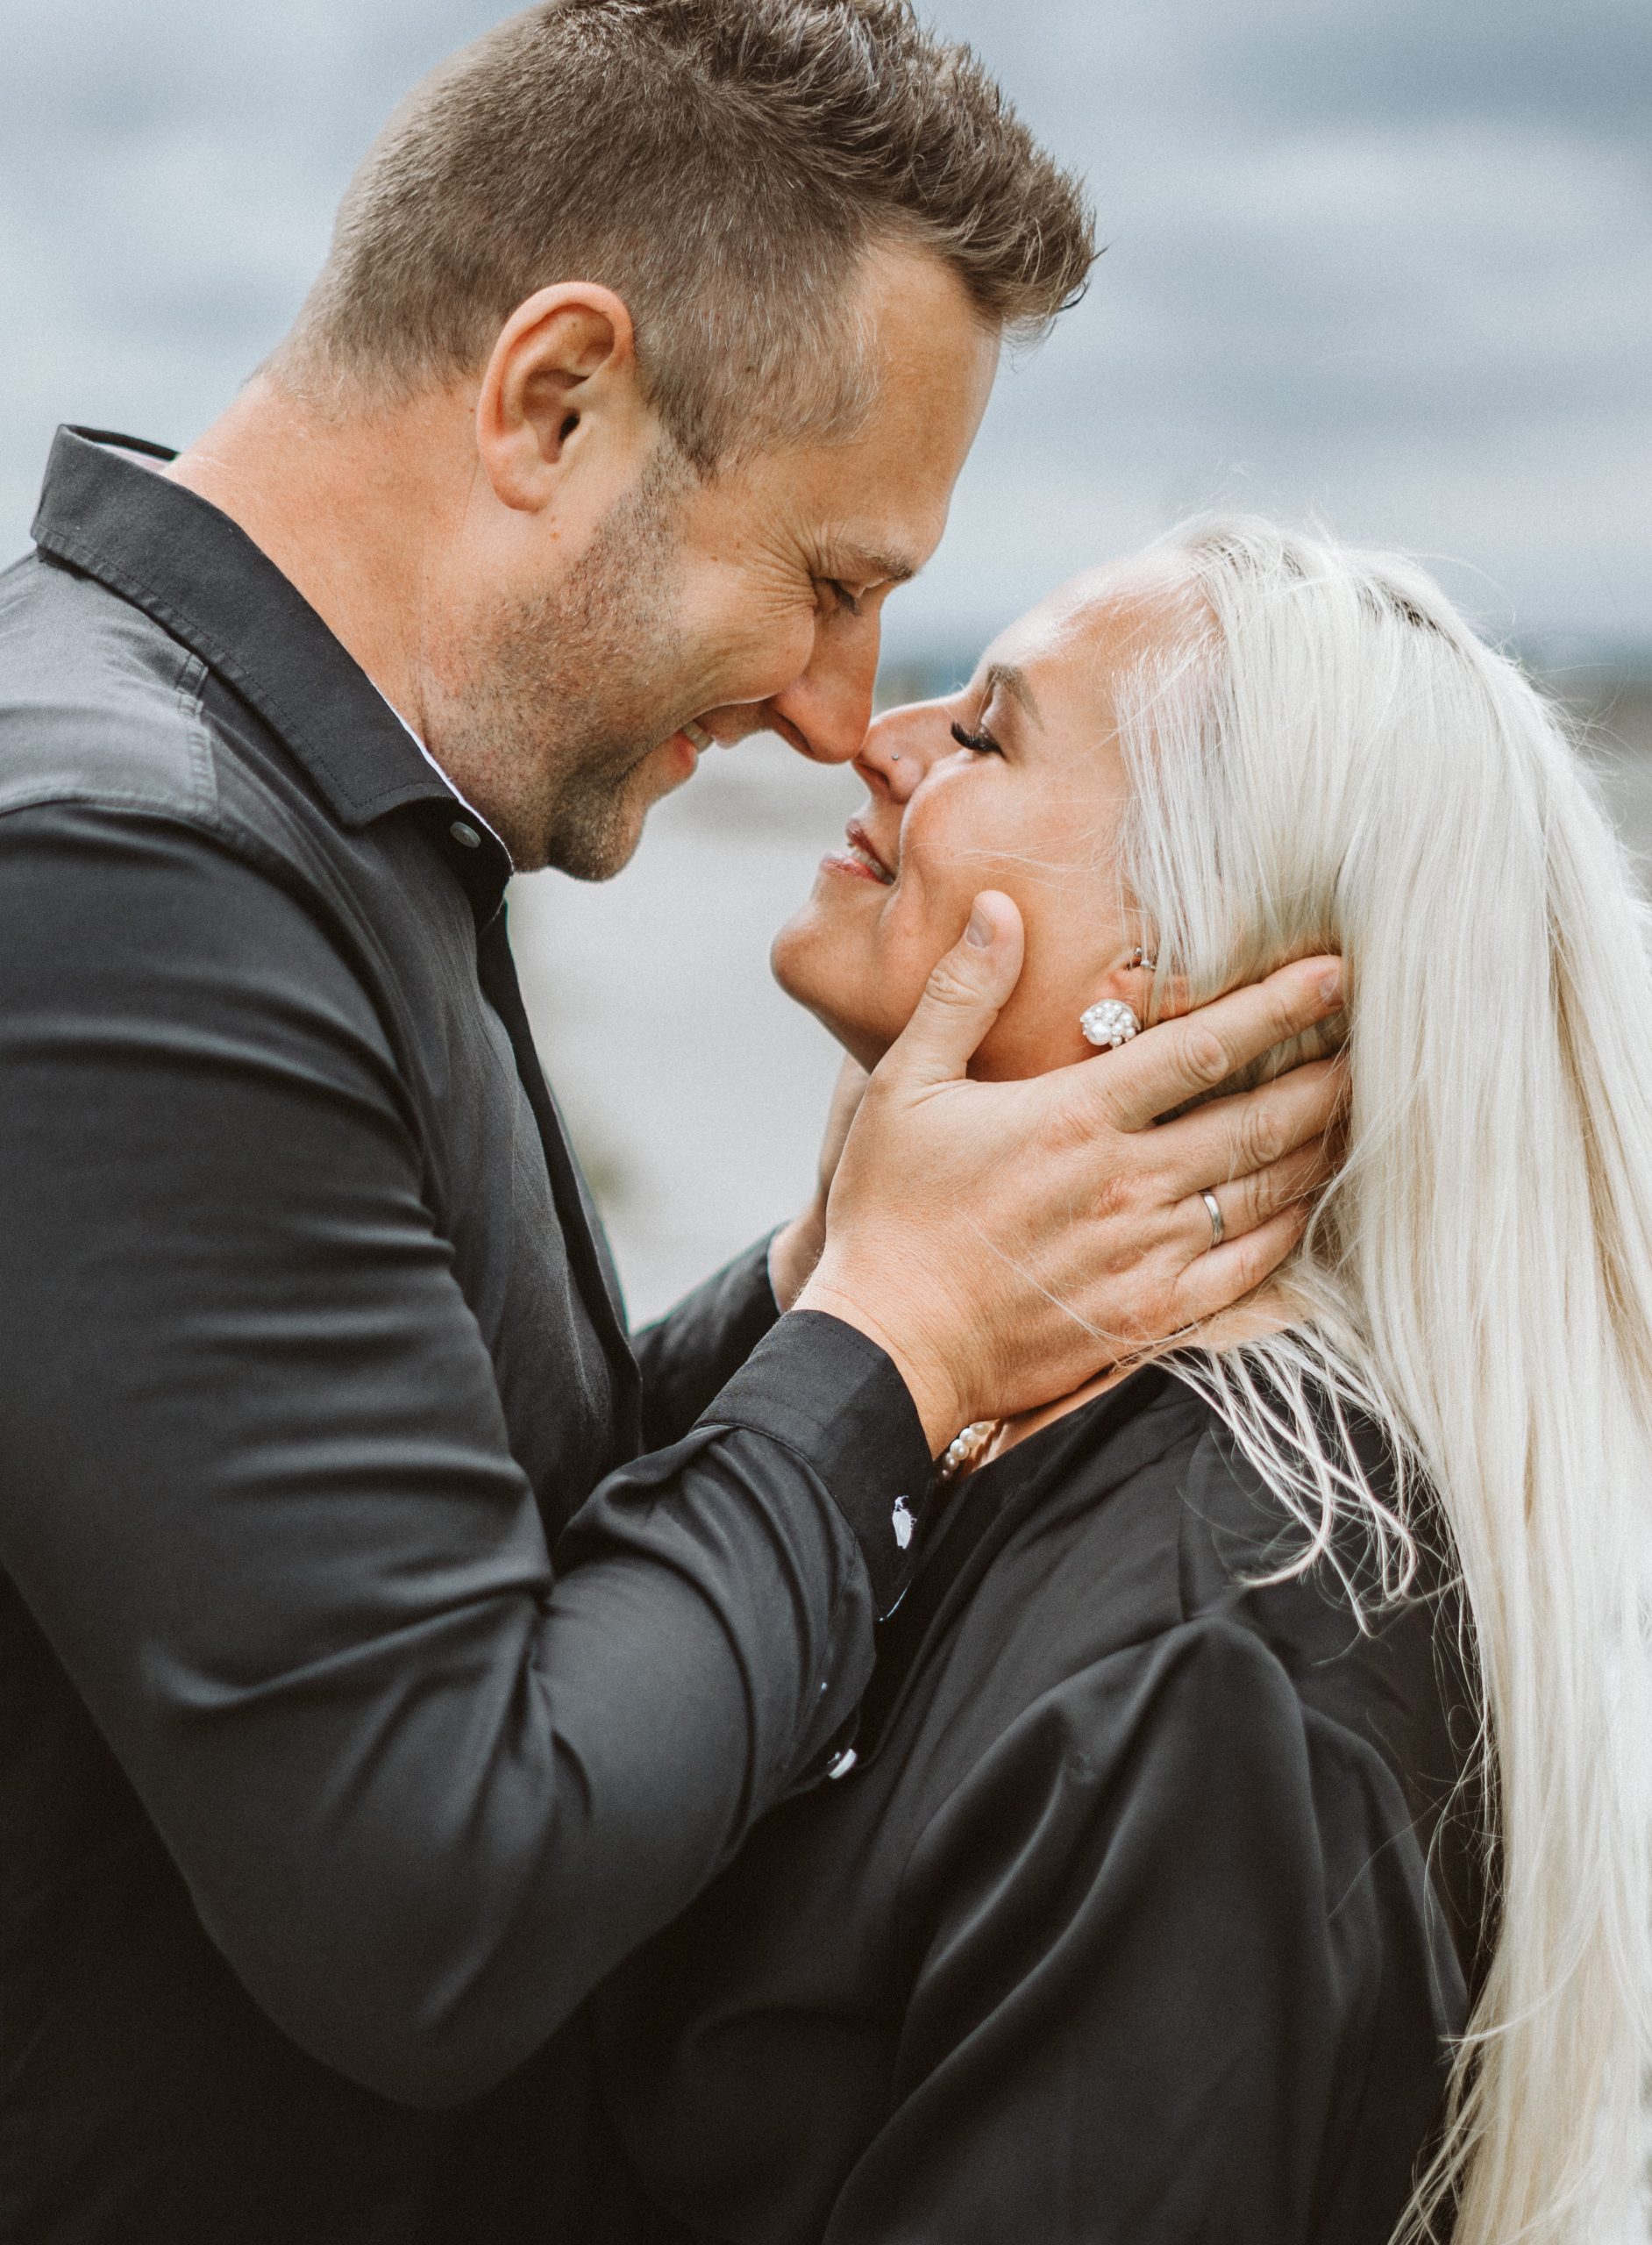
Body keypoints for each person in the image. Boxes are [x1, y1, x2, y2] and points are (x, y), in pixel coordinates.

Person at [0, 9, 1348, 2242]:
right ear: (557, 399)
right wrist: (904, 1341)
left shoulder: (296, 805)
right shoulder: (123, 876)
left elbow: (471, 1534)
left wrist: (831, 1274)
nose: (840, 710)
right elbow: (438, 1891)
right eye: (831, 578)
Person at [583, 524, 1652, 2245]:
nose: (876, 738)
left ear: (1173, 978)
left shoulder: (1207, 1659)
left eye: (986, 733)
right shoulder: (981, 1425)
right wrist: (851, 1282)